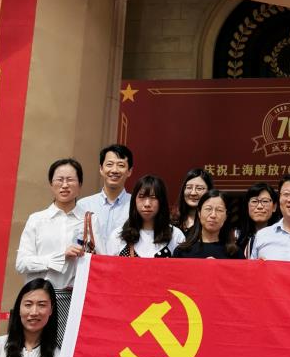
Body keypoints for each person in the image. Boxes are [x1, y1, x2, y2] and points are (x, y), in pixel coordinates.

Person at [15, 158, 103, 342]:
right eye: (59, 180)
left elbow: (101, 261)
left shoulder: (90, 220)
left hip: (74, 298)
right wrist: (59, 257)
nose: (64, 185)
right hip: (39, 300)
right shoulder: (37, 220)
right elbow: (21, 263)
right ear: (51, 184)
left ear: (80, 185)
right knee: (36, 347)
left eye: (70, 180)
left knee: (67, 349)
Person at [107, 175, 185, 257]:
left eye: (153, 197)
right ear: (134, 200)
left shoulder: (176, 236)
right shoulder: (118, 235)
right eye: (141, 197)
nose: (147, 204)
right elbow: (109, 264)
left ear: (162, 201)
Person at [77, 144, 133, 246]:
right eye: (109, 164)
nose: (114, 170)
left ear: (129, 171)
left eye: (121, 165)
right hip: (91, 257)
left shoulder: (136, 205)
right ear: (101, 169)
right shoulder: (83, 205)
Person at [174, 190, 244, 259]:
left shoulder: (235, 253)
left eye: (219, 210)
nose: (213, 215)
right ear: (199, 213)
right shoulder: (182, 252)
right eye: (208, 209)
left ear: (226, 216)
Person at [237, 183, 279, 258]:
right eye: (254, 201)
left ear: (274, 207)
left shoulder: (281, 237)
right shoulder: (235, 236)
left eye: (265, 201)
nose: (259, 206)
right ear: (247, 206)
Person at [174, 168, 214, 233]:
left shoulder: (212, 221)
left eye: (199, 188)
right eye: (189, 187)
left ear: (209, 191)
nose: (193, 193)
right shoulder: (173, 219)